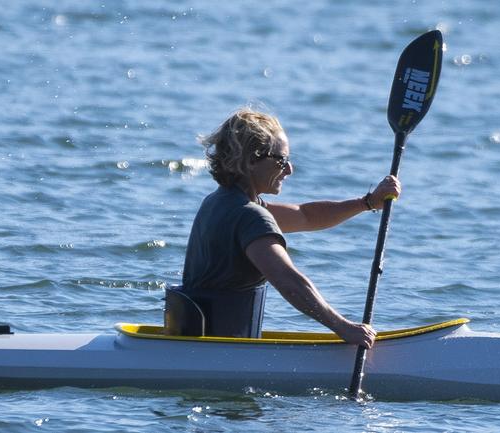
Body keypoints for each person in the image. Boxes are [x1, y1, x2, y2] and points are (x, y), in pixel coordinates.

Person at [168, 108, 400, 348]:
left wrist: (367, 202)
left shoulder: (219, 202)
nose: (289, 170)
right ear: (250, 160)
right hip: (220, 353)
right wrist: (343, 328)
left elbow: (306, 216)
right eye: (281, 160)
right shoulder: (249, 216)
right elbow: (289, 282)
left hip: (201, 344)